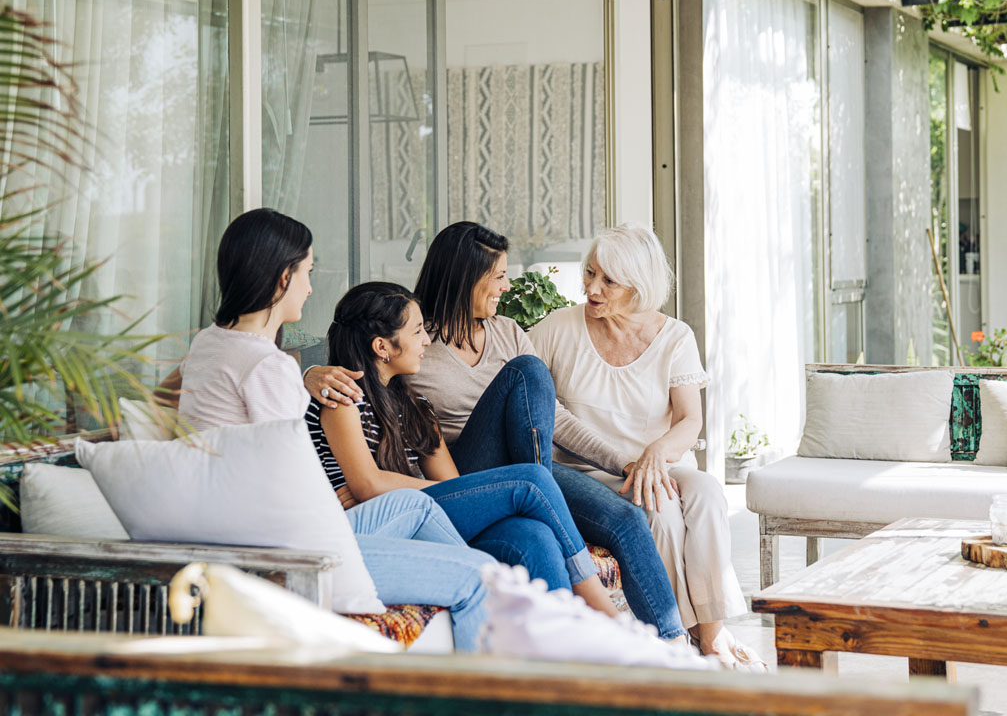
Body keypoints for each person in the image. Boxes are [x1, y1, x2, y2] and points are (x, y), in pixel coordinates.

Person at [175, 208, 492, 651]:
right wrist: (331, 497)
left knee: (423, 510)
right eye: (307, 271)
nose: (310, 286)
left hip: (231, 535)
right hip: (285, 555)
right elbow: (290, 482)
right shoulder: (267, 367)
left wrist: (303, 375)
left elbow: (178, 402)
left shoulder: (207, 345)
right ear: (283, 278)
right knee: (480, 576)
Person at [406, 221, 687, 643]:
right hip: (468, 476)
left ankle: (672, 648)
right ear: (465, 277)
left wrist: (623, 463)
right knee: (529, 371)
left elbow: (557, 419)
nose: (506, 286)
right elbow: (363, 375)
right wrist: (313, 375)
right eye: (498, 276)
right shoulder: (415, 343)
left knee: (627, 518)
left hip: (530, 472)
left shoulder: (507, 332)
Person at [529, 224, 763, 671]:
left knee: (708, 492)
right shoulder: (558, 328)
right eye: (590, 273)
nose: (592, 289)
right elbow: (524, 390)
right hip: (593, 472)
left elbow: (689, 419)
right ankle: (680, 636)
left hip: (660, 463)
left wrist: (657, 452)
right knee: (661, 509)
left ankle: (712, 631)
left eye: (609, 281)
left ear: (638, 285)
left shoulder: (675, 337)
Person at [308, 281, 619, 617]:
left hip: (431, 517)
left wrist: (421, 490)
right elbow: (368, 485)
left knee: (535, 534)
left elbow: (451, 485)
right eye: (417, 331)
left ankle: (566, 638)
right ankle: (601, 611)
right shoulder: (343, 400)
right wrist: (427, 491)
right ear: (382, 346)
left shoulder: (416, 407)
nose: (427, 340)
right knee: (532, 479)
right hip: (384, 526)